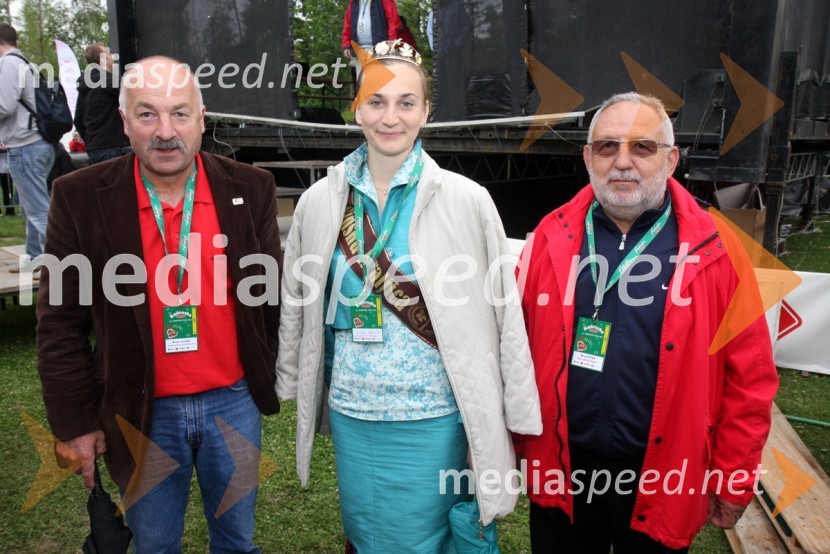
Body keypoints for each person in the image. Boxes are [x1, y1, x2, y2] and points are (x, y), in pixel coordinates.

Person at [277, 40, 541, 553]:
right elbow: (298, 300)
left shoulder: (467, 200)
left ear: (426, 111)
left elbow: (506, 312)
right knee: (367, 533)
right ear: (356, 108)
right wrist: (290, 375)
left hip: (437, 413)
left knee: (430, 537)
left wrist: (518, 406)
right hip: (354, 411)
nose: (389, 116)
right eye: (376, 101)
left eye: (405, 102)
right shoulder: (317, 202)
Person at [36, 56, 281, 553]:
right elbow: (59, 323)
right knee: (154, 544)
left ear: (202, 117)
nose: (165, 131)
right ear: (124, 121)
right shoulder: (79, 196)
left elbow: (270, 298)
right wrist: (77, 422)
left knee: (237, 541)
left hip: (233, 404)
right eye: (147, 114)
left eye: (180, 113)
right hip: (140, 413)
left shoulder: (249, 188)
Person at [515, 92, 778, 552]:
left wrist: (733, 480)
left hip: (663, 475)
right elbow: (511, 349)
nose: (622, 162)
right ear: (587, 157)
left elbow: (750, 380)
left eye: (642, 147)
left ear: (671, 159)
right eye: (607, 146)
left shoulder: (718, 249)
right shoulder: (549, 238)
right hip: (564, 471)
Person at [0, 23, 54, 271]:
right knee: (32, 207)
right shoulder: (24, 62)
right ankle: (35, 257)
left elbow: (5, 105)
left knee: (38, 210)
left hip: (25, 145)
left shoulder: (8, 64)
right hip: (36, 142)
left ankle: (52, 263)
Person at [74, 42, 131, 164]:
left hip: (94, 146)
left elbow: (78, 118)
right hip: (113, 146)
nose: (112, 56)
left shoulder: (85, 84)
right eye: (108, 53)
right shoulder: (111, 80)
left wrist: (90, 139)